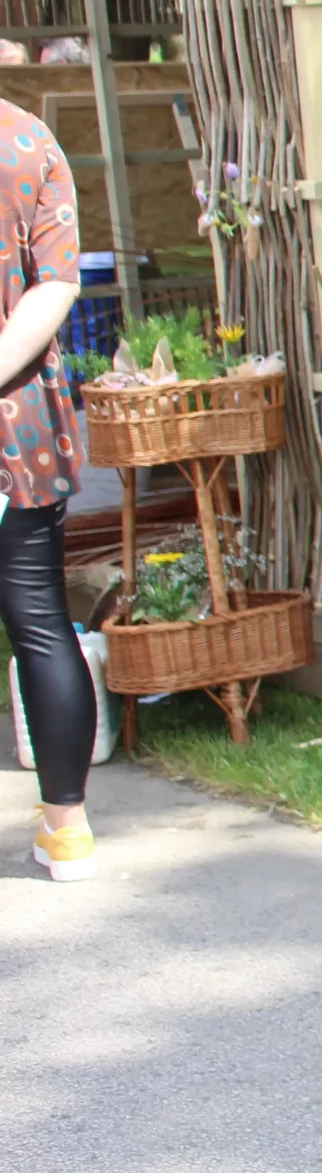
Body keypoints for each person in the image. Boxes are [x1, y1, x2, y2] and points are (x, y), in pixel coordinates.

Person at [0, 98, 102, 878]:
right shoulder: (31, 142)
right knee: (40, 620)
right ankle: (67, 832)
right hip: (18, 424)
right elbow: (56, 287)